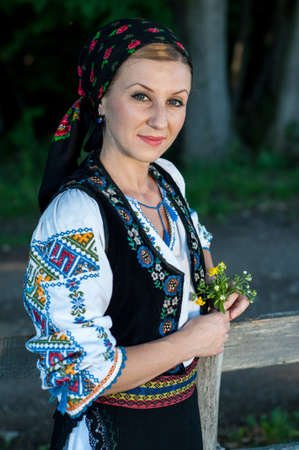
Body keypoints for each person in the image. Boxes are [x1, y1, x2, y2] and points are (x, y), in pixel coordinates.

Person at [23, 17, 249, 450]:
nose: (161, 120)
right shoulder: (75, 216)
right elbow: (79, 374)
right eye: (141, 96)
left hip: (179, 428)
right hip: (110, 437)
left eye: (176, 101)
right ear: (102, 99)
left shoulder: (167, 180)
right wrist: (191, 340)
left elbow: (187, 270)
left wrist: (222, 290)